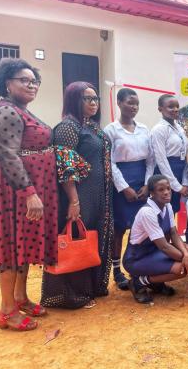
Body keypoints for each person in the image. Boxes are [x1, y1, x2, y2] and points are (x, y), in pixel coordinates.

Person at [0, 58, 57, 331]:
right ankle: (7, 310)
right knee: (10, 246)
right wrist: (30, 192)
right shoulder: (6, 112)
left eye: (34, 81)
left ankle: (20, 297)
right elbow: (7, 155)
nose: (31, 85)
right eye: (24, 80)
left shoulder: (21, 109)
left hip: (30, 188)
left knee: (25, 244)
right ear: (7, 84)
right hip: (15, 192)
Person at [41, 81, 114, 309]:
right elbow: (65, 167)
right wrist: (74, 200)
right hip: (79, 194)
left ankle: (92, 287)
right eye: (87, 99)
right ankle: (70, 294)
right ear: (74, 100)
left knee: (94, 237)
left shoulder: (91, 126)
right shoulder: (67, 127)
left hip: (99, 194)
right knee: (76, 239)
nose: (93, 103)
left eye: (95, 99)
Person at [103, 88, 154, 291]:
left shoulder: (143, 128)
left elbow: (150, 160)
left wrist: (147, 185)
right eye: (129, 102)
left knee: (140, 228)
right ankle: (117, 271)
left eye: (136, 104)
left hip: (142, 181)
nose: (133, 107)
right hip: (121, 183)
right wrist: (124, 188)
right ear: (119, 102)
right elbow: (110, 162)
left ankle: (136, 266)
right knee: (119, 228)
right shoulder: (111, 130)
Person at [123, 175, 188, 304]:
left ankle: (156, 282)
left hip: (154, 252)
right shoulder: (147, 212)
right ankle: (139, 282)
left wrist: (186, 255)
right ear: (151, 193)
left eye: (168, 188)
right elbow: (164, 246)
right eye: (161, 190)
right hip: (137, 258)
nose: (166, 192)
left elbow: (174, 233)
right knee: (182, 269)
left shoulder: (167, 206)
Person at [151, 94, 188, 213]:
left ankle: (171, 232)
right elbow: (161, 160)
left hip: (179, 172)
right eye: (171, 107)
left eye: (177, 106)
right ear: (160, 109)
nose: (175, 109)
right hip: (165, 175)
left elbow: (184, 157)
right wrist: (176, 186)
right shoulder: (159, 130)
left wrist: (185, 182)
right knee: (163, 210)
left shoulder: (179, 128)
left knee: (173, 210)